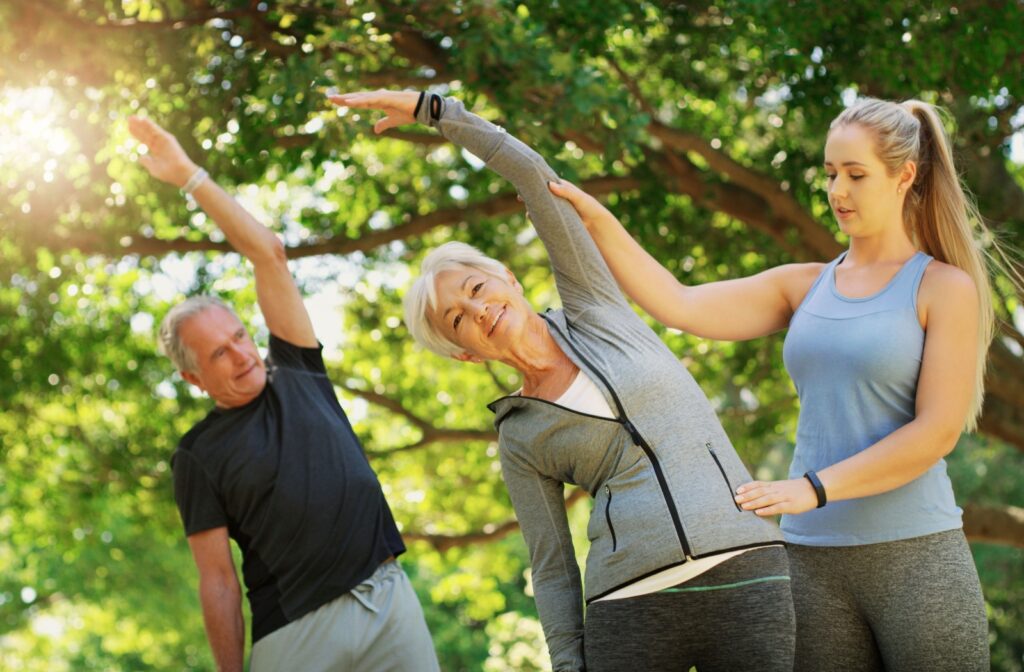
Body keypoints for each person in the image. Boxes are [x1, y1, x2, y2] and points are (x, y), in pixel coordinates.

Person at [330, 89, 795, 672]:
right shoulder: (520, 436)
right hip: (628, 603)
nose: (477, 312)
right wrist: (569, 663)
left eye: (476, 289)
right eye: (457, 320)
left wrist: (438, 113)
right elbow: (549, 565)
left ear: (507, 279)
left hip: (745, 565)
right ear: (465, 354)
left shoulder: (594, 306)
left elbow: (532, 177)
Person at [550, 98, 999, 671]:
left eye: (856, 175)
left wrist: (812, 488)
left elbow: (936, 433)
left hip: (916, 557)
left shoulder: (944, 287)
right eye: (831, 173)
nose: (838, 191)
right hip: (809, 562)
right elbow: (679, 304)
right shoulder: (803, 286)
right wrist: (596, 221)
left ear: (904, 175)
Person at [129, 116, 439, 672]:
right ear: (193, 379)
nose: (242, 354)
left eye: (239, 336)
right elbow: (217, 579)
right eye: (218, 354)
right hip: (295, 634)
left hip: (386, 598)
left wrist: (188, 176)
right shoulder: (197, 455)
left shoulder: (296, 369)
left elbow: (267, 252)